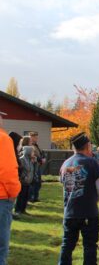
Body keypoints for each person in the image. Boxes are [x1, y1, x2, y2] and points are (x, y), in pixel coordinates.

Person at [58, 132, 99, 265]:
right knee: (90, 246)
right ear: (87, 146)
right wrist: (94, 201)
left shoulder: (65, 163)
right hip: (88, 212)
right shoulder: (91, 162)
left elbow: (63, 184)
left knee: (67, 244)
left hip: (69, 211)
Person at [0, 111, 21, 265]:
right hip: (2, 197)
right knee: (1, 247)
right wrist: (13, 193)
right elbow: (7, 170)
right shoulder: (3, 139)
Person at [13, 145, 35, 217]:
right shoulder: (22, 159)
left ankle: (23, 210)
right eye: (32, 152)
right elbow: (20, 170)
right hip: (22, 181)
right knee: (21, 196)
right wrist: (23, 177)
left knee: (26, 196)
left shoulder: (30, 160)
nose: (33, 153)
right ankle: (18, 210)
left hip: (28, 181)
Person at [28, 131, 45, 202]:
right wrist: (41, 160)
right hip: (33, 166)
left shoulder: (36, 145)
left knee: (38, 182)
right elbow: (33, 156)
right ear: (31, 137)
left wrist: (43, 158)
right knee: (34, 182)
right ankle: (31, 197)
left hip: (38, 165)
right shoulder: (29, 146)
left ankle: (35, 197)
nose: (36, 139)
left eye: (36, 137)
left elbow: (42, 153)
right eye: (35, 137)